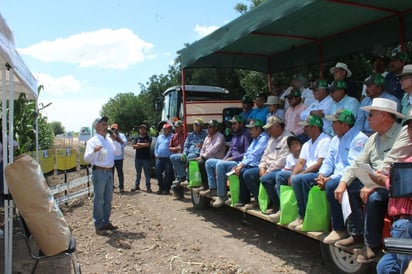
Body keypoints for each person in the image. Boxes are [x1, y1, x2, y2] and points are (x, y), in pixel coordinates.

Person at [333, 98, 404, 263]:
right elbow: (358, 162)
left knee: (375, 197)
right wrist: (343, 182)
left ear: (385, 116)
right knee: (350, 186)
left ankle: (372, 245)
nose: (368, 118)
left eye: (371, 115)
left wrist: (373, 184)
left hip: (394, 182)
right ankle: (356, 233)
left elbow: (392, 163)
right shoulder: (373, 138)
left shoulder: (401, 135)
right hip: (376, 179)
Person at [318, 110, 368, 244]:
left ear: (345, 125)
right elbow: (328, 160)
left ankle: (339, 228)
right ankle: (313, 220)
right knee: (307, 180)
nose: (332, 125)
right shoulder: (335, 139)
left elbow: (353, 166)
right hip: (339, 174)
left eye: (334, 123)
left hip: (356, 176)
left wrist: (331, 178)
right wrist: (322, 175)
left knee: (332, 185)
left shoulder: (359, 139)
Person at [375, 109, 412, 274]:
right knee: (385, 267)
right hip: (400, 224)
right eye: (410, 127)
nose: (411, 131)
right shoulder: (408, 159)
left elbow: (406, 186)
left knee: (406, 269)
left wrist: (386, 180)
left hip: (407, 223)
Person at [283, 115, 331, 231]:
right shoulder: (307, 143)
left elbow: (319, 163)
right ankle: (299, 214)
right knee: (288, 177)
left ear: (315, 127)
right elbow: (300, 162)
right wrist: (293, 174)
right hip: (308, 171)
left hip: (319, 172)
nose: (305, 129)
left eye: (307, 127)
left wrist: (301, 174)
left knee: (302, 179)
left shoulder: (325, 140)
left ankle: (306, 216)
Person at [200, 115, 250, 206]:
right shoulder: (235, 136)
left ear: (241, 124)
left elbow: (247, 153)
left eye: (235, 124)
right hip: (229, 161)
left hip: (239, 162)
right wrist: (223, 160)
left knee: (220, 165)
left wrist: (231, 159)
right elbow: (230, 150)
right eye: (232, 124)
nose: (233, 126)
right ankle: (213, 188)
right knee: (209, 162)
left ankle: (222, 195)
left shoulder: (245, 135)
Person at [83, 116, 121, 235]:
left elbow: (118, 152)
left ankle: (106, 222)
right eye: (103, 124)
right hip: (99, 172)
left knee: (108, 199)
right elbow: (86, 159)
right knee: (99, 199)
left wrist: (115, 140)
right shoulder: (92, 141)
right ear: (96, 127)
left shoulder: (109, 140)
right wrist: (93, 151)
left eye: (106, 124)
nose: (105, 127)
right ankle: (98, 225)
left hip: (109, 172)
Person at [252, 116, 291, 215]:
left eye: (270, 128)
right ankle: (260, 202)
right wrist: (262, 167)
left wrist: (268, 170)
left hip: (280, 168)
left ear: (277, 126)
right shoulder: (271, 139)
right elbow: (265, 155)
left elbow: (283, 159)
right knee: (248, 174)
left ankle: (277, 205)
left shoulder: (288, 138)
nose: (268, 131)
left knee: (266, 178)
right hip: (268, 168)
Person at [233, 119, 269, 208]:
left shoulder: (264, 138)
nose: (249, 131)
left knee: (247, 174)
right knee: (241, 171)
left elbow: (255, 154)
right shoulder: (255, 139)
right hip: (252, 164)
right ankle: (244, 199)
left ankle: (259, 200)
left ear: (258, 129)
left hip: (261, 165)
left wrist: (241, 165)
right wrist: (239, 165)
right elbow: (248, 153)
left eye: (251, 129)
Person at [170, 119, 207, 198]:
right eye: (194, 125)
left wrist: (203, 145)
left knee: (190, 157)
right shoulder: (190, 135)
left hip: (197, 154)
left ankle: (188, 179)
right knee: (173, 157)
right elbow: (186, 145)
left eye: (197, 125)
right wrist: (184, 154)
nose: (195, 127)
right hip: (188, 153)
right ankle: (183, 177)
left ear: (200, 126)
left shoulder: (205, 133)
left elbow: (207, 143)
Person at [193, 120, 226, 192]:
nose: (208, 129)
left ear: (216, 128)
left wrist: (202, 156)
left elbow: (214, 150)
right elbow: (203, 148)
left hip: (217, 158)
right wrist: (201, 155)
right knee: (195, 161)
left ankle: (208, 186)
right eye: (208, 127)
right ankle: (203, 184)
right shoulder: (207, 137)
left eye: (210, 127)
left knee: (202, 162)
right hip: (208, 158)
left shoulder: (220, 137)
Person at [132, 124, 152, 192]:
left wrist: (139, 144)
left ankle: (148, 187)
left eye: (144, 129)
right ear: (139, 130)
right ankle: (137, 186)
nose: (142, 130)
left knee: (147, 174)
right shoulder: (136, 138)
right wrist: (143, 145)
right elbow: (134, 147)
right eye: (141, 129)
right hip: (138, 158)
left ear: (146, 130)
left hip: (146, 159)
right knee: (138, 173)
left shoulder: (148, 137)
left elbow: (148, 145)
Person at [154, 123, 174, 195]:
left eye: (170, 129)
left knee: (168, 174)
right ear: (164, 129)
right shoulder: (159, 137)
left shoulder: (172, 136)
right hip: (159, 158)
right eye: (167, 129)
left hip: (168, 159)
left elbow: (174, 146)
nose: (169, 130)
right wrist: (156, 154)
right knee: (157, 172)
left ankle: (166, 189)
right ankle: (160, 188)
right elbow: (156, 147)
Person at [109, 123, 127, 193]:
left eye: (115, 129)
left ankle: (121, 187)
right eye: (112, 129)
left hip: (119, 158)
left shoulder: (122, 135)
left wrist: (117, 139)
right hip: (111, 158)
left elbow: (125, 144)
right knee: (111, 173)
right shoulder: (108, 136)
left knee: (120, 173)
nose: (114, 130)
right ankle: (111, 186)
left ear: (118, 129)